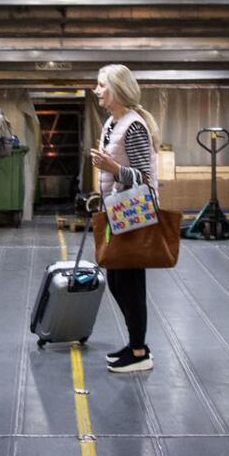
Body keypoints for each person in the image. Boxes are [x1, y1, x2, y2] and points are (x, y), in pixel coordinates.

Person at [90, 64, 159, 375]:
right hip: (116, 210)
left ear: (117, 90)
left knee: (130, 283)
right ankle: (134, 343)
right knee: (118, 280)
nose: (97, 90)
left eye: (102, 85)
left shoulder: (134, 127)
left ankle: (139, 351)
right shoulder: (111, 123)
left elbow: (144, 177)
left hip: (134, 212)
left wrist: (113, 168)